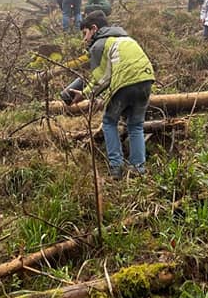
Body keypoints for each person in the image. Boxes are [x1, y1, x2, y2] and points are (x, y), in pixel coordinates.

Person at [61, 11, 155, 179]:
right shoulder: (126, 38)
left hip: (125, 82)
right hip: (147, 79)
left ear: (94, 28)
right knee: (136, 125)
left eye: (85, 33)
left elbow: (102, 79)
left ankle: (116, 167)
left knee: (109, 122)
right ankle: (138, 168)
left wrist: (84, 94)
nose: (84, 39)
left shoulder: (99, 45)